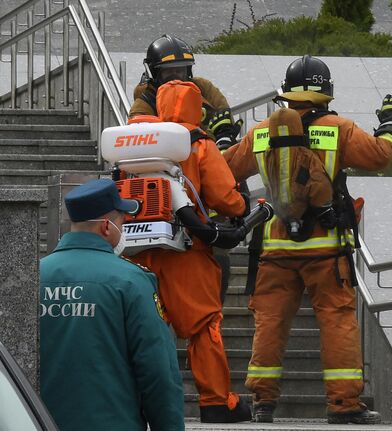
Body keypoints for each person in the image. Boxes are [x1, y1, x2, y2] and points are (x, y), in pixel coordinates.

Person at [223, 55, 392, 424]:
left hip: (274, 247)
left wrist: (224, 138)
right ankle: (343, 405)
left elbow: (224, 168)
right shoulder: (338, 128)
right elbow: (380, 156)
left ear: (287, 93)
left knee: (270, 323)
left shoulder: (261, 132)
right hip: (326, 247)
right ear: (325, 93)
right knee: (337, 320)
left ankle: (262, 401)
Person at [128, 80, 252, 423]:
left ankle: (138, 399)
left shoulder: (135, 137)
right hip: (185, 249)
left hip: (136, 250)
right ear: (197, 109)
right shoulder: (196, 141)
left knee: (145, 327)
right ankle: (215, 401)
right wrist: (243, 206)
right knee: (203, 326)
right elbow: (226, 198)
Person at [40, 178, 184, 431]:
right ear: (107, 226)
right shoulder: (131, 280)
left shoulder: (36, 276)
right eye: (122, 221)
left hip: (34, 421)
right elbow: (157, 370)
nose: (124, 227)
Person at [129, 33, 242, 302]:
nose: (176, 77)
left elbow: (223, 121)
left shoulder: (204, 90)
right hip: (164, 194)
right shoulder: (144, 103)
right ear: (154, 74)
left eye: (181, 70)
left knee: (218, 260)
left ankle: (213, 303)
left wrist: (218, 142)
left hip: (207, 187)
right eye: (169, 72)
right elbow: (141, 141)